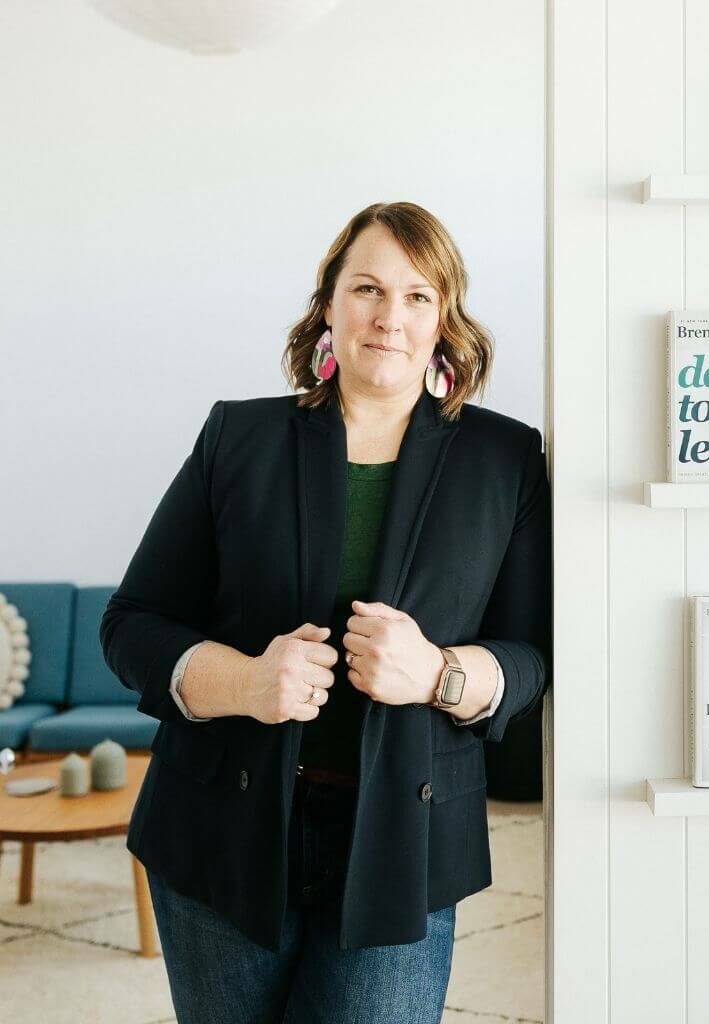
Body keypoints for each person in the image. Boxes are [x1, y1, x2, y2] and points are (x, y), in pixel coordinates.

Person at [99, 201, 553, 1024]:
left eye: (420, 296)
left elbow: (532, 654)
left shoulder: (506, 458)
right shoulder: (237, 438)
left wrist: (441, 674)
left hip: (403, 841)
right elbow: (131, 622)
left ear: (445, 319)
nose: (391, 316)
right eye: (368, 288)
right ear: (328, 307)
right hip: (219, 830)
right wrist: (243, 681)